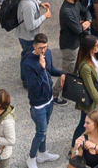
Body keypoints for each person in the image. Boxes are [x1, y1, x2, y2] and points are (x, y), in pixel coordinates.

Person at [21, 34, 58, 165]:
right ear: (34, 46)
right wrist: (42, 68)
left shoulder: (47, 53)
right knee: (40, 132)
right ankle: (31, 158)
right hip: (38, 105)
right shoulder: (27, 63)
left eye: (45, 47)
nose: (43, 50)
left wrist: (64, 74)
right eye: (40, 48)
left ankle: (42, 153)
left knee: (45, 129)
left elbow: (51, 70)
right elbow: (35, 86)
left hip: (49, 99)